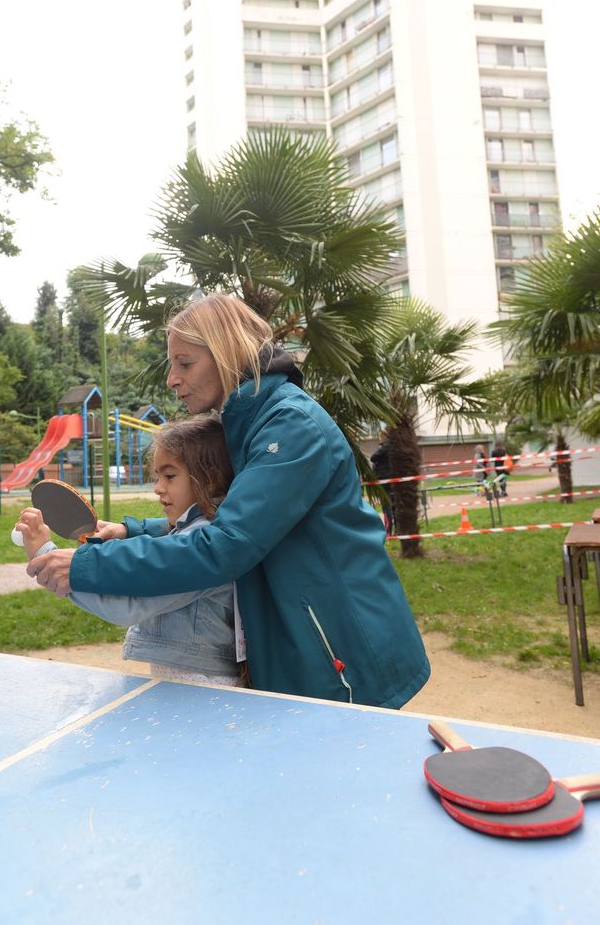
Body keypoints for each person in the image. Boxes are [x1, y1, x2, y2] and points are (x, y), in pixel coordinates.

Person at [28, 293, 430, 708]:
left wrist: (87, 565)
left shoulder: (290, 424)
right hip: (305, 636)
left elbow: (226, 544)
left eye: (185, 363)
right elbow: (226, 511)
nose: (172, 378)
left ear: (227, 352)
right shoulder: (244, 422)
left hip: (341, 641)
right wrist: (134, 529)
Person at [17, 416, 246, 686]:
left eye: (170, 476)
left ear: (209, 479)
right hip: (192, 683)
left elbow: (126, 605)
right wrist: (124, 533)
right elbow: (146, 559)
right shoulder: (200, 529)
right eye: (157, 476)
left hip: (203, 689)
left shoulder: (200, 540)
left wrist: (47, 554)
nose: (158, 488)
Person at [370, 431, 394, 535]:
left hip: (384, 479)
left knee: (386, 506)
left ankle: (388, 531)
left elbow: (373, 457)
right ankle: (396, 530)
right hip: (392, 479)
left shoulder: (385, 447)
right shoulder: (393, 448)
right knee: (393, 505)